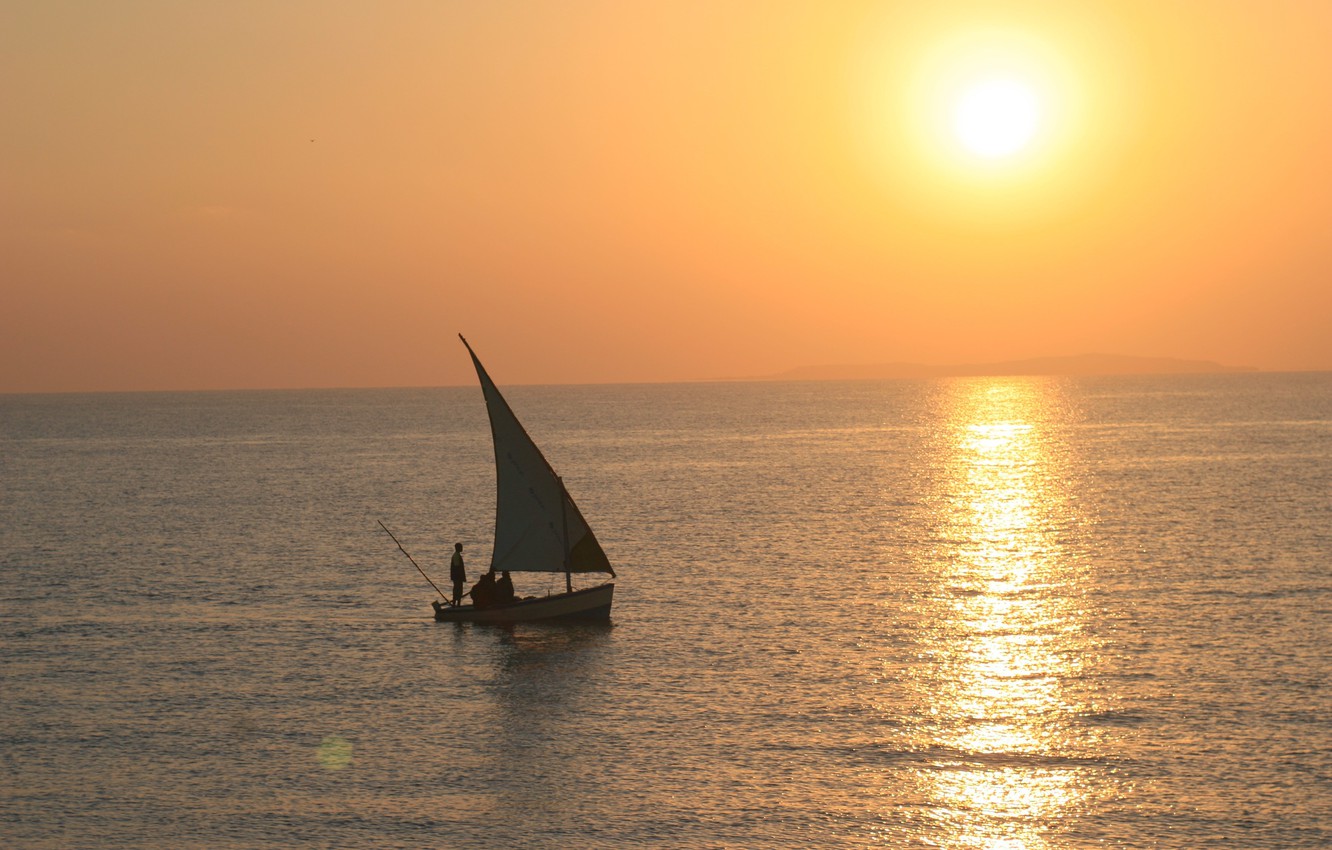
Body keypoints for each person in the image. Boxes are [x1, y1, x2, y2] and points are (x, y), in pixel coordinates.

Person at [449, 542, 466, 607]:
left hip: (457, 577)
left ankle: (457, 604)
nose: (462, 548)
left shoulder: (457, 555)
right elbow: (457, 567)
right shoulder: (456, 556)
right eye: (461, 547)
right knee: (457, 590)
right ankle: (456, 604)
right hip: (457, 577)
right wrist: (460, 577)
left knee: (458, 590)